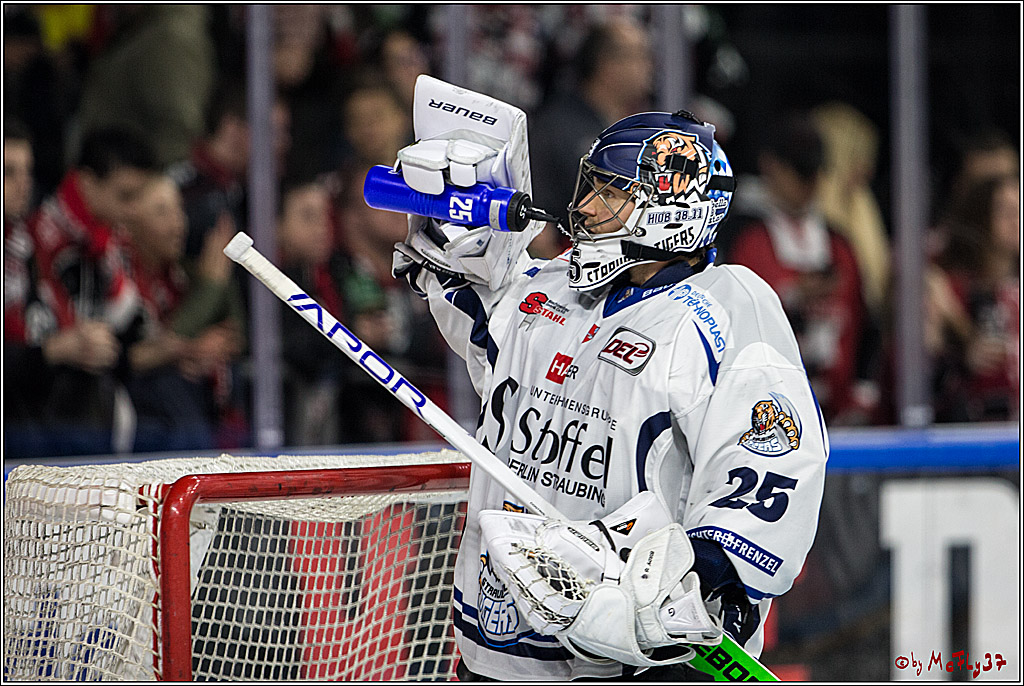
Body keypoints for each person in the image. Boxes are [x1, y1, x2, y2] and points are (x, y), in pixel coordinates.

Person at [391, 86, 827, 680]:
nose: (588, 208)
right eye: (590, 186)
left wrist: (695, 568)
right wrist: (447, 227)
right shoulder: (545, 292)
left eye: (613, 193)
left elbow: (772, 462)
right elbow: (462, 293)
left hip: (631, 653)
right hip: (500, 645)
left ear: (673, 209)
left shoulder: (722, 311)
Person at [11, 127, 159, 457]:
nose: (134, 210)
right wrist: (62, 348)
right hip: (40, 427)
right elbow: (40, 343)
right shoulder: (42, 241)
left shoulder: (103, 241)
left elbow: (131, 325)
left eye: (28, 171)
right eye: (126, 196)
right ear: (89, 184)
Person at [725, 112, 878, 426]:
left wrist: (863, 396)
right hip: (761, 411)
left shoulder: (839, 243)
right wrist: (792, 297)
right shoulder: (741, 237)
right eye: (798, 171)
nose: (808, 184)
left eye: (815, 172)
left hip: (838, 415)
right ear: (770, 166)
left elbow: (867, 323)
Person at [122, 174, 245, 452]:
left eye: (179, 209)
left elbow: (236, 336)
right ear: (128, 218)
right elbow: (138, 353)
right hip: (141, 416)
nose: (177, 223)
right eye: (161, 211)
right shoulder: (118, 273)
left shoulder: (181, 273)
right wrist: (211, 286)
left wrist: (220, 280)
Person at [528, 17, 653, 258]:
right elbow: (539, 224)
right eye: (640, 55)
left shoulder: (635, 129)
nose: (649, 65)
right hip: (571, 268)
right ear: (607, 65)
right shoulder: (555, 128)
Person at [928, 173, 1019, 422]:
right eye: (1006, 212)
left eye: (1019, 210)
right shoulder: (953, 289)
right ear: (981, 217)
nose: (1016, 221)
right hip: (972, 429)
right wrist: (963, 353)